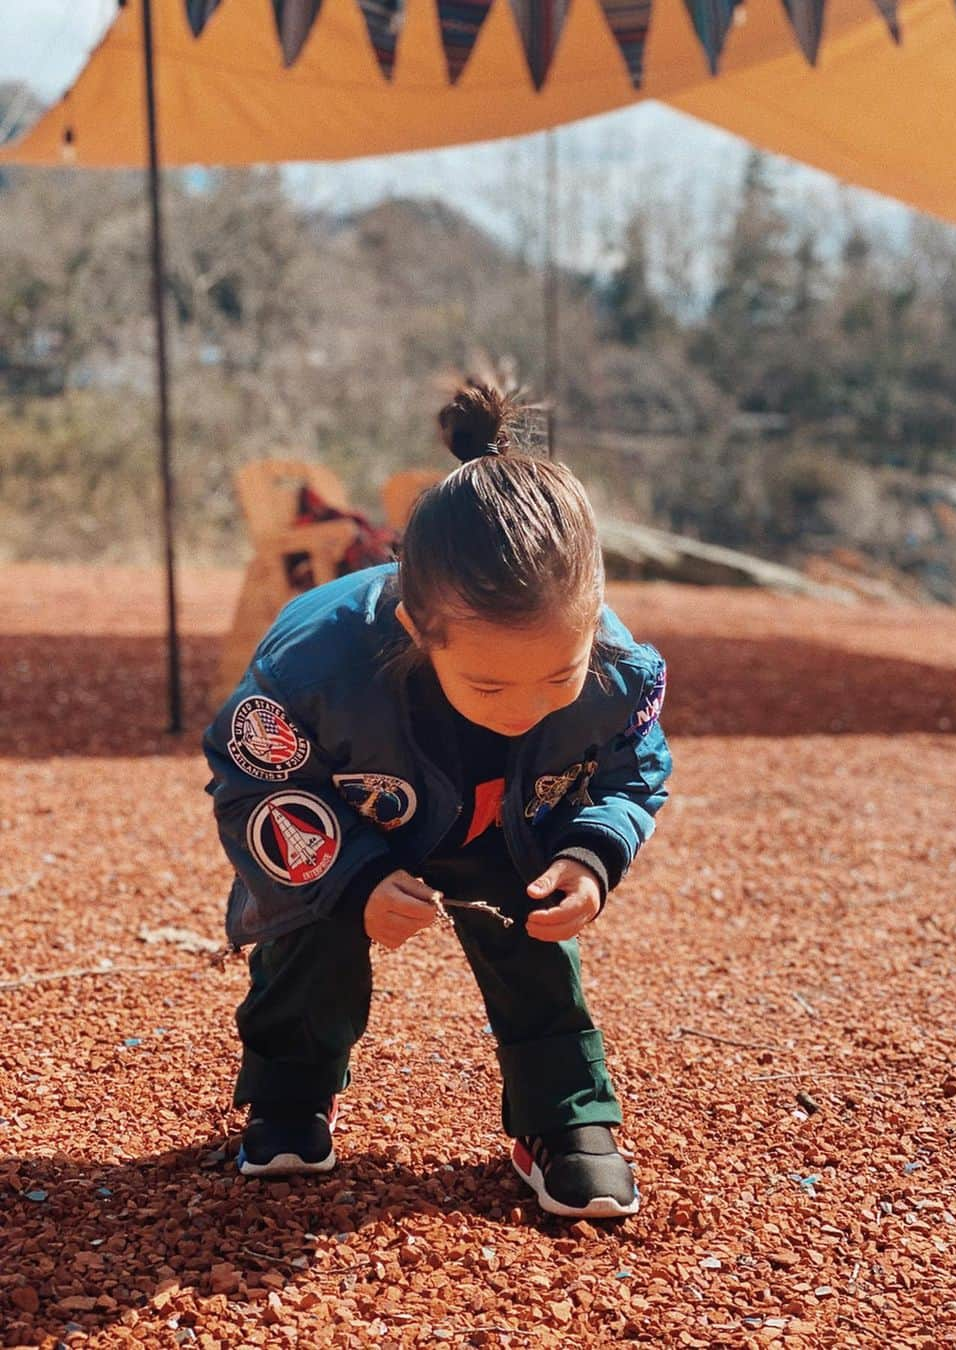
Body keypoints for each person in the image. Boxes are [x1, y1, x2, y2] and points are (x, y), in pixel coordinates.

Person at [203, 383, 672, 1219]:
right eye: (490, 682)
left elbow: (634, 762)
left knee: (536, 942)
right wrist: (348, 878)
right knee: (311, 934)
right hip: (349, 822)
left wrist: (592, 852)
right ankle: (289, 1094)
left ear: (594, 619)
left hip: (511, 826)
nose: (528, 706)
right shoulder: (317, 666)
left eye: (558, 675)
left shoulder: (614, 668)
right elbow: (257, 783)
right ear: (418, 627)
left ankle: (563, 1121)